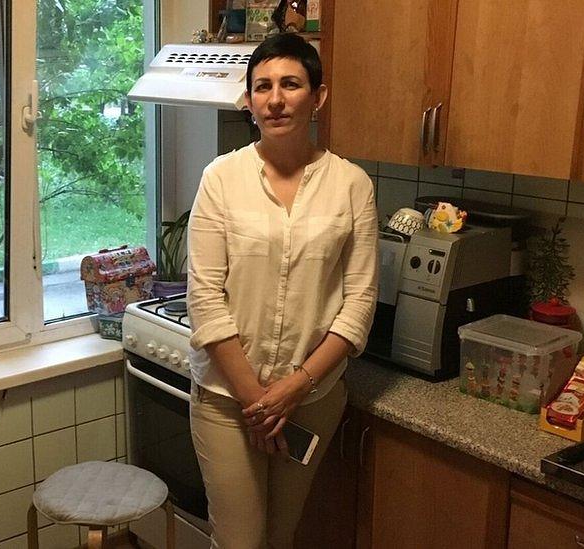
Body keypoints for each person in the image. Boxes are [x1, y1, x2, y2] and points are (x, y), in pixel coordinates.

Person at [186, 33, 379, 549]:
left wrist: (293, 389)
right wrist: (259, 404)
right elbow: (204, 299)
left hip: (312, 400)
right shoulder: (221, 178)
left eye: (290, 84)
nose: (275, 98)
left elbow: (359, 303)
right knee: (240, 542)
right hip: (228, 403)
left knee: (281, 536)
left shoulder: (352, 185)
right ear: (249, 101)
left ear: (318, 96)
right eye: (262, 86)